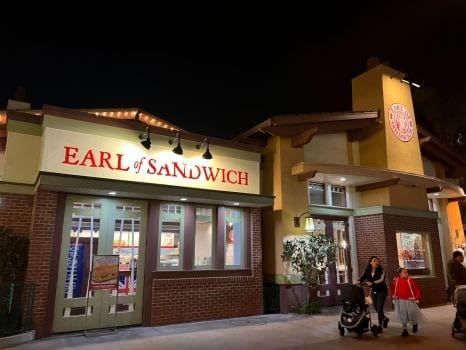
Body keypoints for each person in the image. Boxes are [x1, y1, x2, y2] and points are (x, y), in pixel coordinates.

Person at [357, 256, 389, 332]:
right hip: (374, 291)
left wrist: (372, 283)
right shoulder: (367, 270)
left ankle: (380, 325)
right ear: (370, 262)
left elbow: (381, 279)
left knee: (379, 307)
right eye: (374, 261)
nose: (376, 262)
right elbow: (361, 278)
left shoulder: (382, 270)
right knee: (376, 308)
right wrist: (358, 281)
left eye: (377, 261)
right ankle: (385, 319)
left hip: (382, 291)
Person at [390, 267, 423, 336]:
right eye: (404, 272)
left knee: (412, 312)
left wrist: (416, 297)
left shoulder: (409, 280)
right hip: (400, 300)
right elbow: (393, 289)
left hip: (409, 299)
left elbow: (416, 289)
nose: (406, 274)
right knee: (403, 314)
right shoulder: (396, 281)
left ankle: (415, 323)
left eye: (407, 272)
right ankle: (404, 329)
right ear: (400, 274)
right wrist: (393, 295)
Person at [447, 250, 466, 331]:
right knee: (461, 307)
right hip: (459, 289)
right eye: (462, 256)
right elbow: (452, 277)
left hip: (461, 288)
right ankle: (457, 325)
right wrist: (456, 287)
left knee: (462, 307)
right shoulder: (453, 264)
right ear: (458, 257)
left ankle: (457, 325)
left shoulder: (457, 264)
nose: (463, 258)